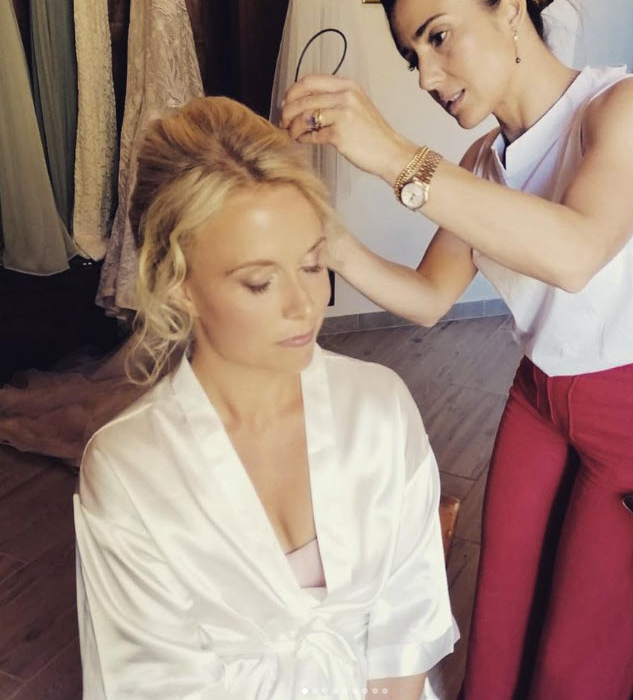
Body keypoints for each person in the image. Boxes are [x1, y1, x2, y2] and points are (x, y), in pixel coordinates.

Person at [280, 0, 633, 700]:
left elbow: (576, 251)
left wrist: (395, 157)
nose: (425, 76)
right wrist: (335, 245)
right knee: (498, 614)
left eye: (439, 38)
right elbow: (429, 298)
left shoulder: (627, 108)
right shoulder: (486, 163)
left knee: (579, 657)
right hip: (542, 394)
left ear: (511, 8)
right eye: (414, 55)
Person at [72, 96, 458, 699]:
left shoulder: (378, 409)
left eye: (311, 265)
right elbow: (153, 683)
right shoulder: (129, 470)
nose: (303, 306)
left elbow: (406, 616)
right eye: (259, 281)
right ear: (178, 288)